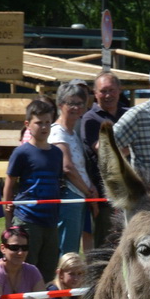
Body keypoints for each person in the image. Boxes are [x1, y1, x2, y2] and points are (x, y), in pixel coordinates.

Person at [5, 96, 66, 277]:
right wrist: (8, 221)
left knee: (48, 270)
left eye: (48, 122)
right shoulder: (22, 152)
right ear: (28, 124)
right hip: (27, 219)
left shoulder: (56, 153)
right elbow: (9, 184)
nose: (44, 127)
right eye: (39, 123)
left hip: (51, 221)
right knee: (26, 269)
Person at [80, 70, 128, 247]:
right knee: (106, 244)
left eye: (111, 90)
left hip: (129, 190)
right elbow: (104, 151)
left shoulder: (129, 113)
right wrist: (129, 148)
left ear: (119, 90)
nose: (108, 95)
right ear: (95, 93)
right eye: (103, 91)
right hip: (106, 194)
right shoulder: (90, 118)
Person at [49, 80, 97, 256]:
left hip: (79, 196)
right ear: (60, 105)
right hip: (69, 196)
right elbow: (67, 168)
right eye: (71, 103)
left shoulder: (72, 133)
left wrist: (89, 189)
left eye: (80, 103)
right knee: (67, 250)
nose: (76, 107)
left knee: (74, 248)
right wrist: (89, 192)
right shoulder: (57, 132)